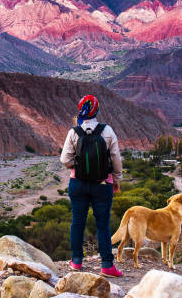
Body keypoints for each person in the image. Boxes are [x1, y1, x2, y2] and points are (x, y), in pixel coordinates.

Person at [60, 94, 123, 277]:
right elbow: (116, 160)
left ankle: (77, 262)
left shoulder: (74, 132)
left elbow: (65, 159)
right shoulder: (108, 131)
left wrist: (78, 166)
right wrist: (116, 180)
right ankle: (107, 266)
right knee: (103, 224)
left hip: (77, 184)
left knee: (77, 222)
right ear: (96, 110)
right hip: (103, 185)